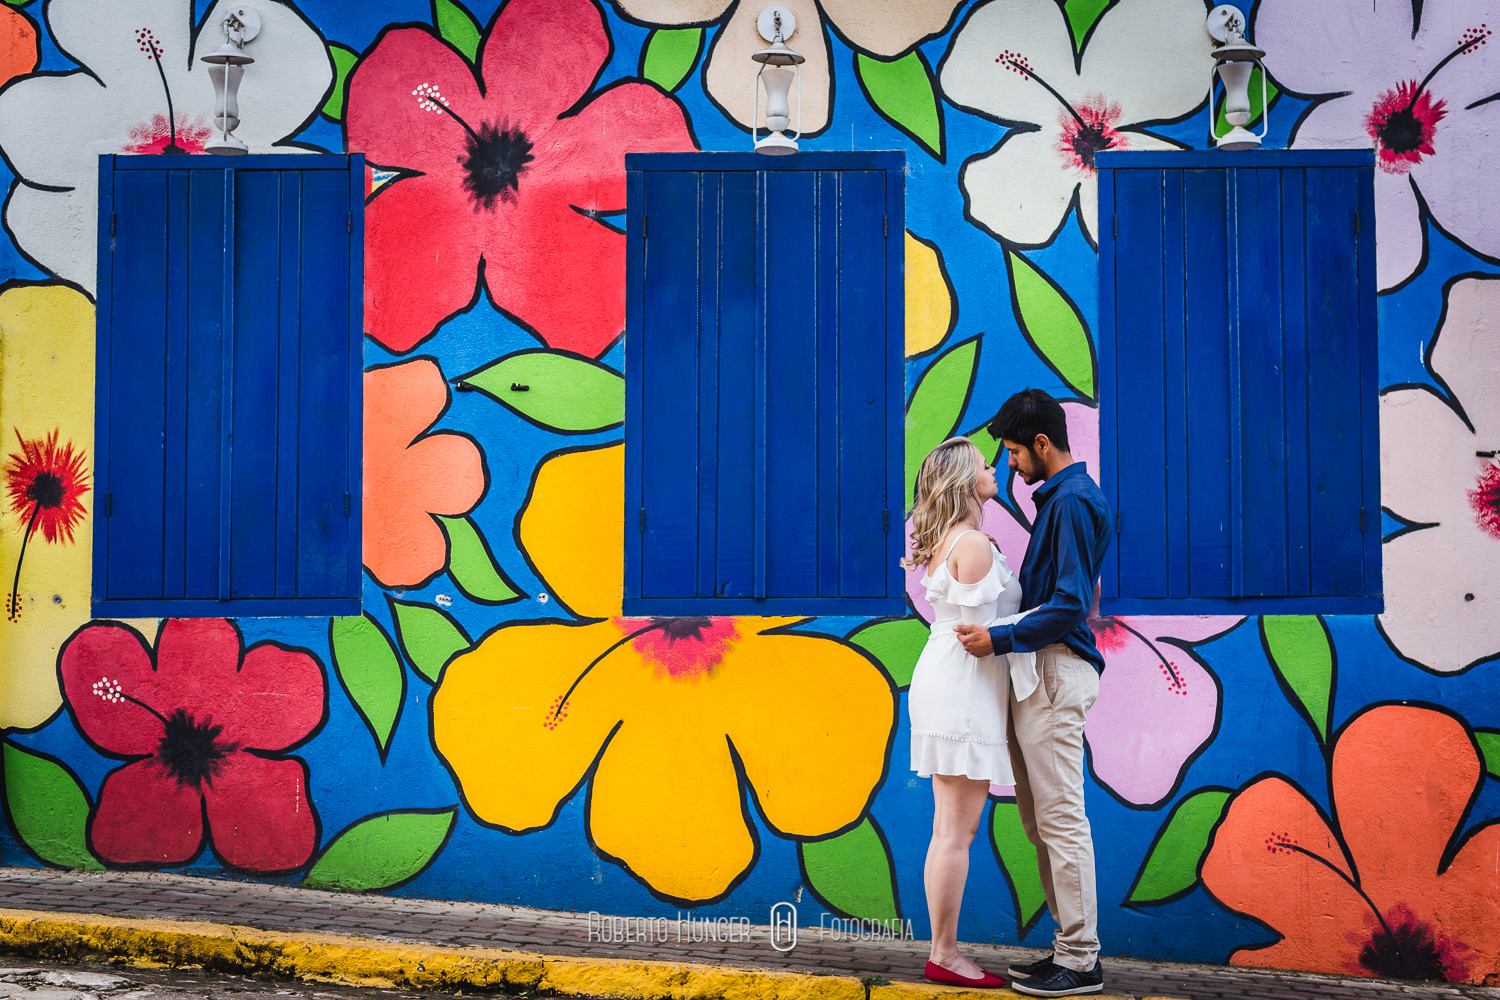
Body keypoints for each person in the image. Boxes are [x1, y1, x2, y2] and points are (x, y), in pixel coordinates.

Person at [955, 389, 1113, 998]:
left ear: (1042, 445)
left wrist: (998, 637)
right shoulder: (1062, 499)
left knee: (1060, 820)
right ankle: (1067, 950)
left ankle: (1079, 960)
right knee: (1042, 822)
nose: (1011, 465)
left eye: (1016, 452)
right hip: (1042, 671)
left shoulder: (1071, 502)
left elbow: (1070, 603)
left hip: (1053, 671)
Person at [903, 436, 1033, 990]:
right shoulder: (974, 542)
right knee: (957, 832)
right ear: (965, 481)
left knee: (949, 830)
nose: (993, 466)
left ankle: (943, 949)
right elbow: (978, 632)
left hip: (950, 680)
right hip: (963, 685)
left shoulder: (950, 539)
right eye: (983, 463)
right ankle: (945, 954)